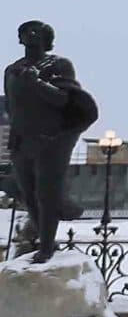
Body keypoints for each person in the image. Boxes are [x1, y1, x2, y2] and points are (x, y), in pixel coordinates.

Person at [6, 21, 94, 264]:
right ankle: (45, 241)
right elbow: (12, 106)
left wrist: (36, 83)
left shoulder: (58, 65)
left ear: (47, 39)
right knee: (28, 194)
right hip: (21, 141)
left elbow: (62, 99)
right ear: (20, 38)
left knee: (47, 193)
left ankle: (46, 247)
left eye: (37, 31)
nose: (31, 34)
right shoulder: (12, 70)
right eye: (26, 31)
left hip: (50, 140)